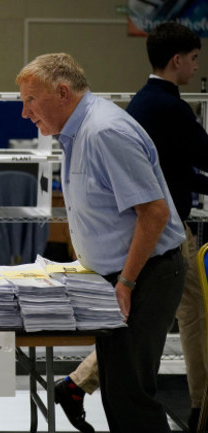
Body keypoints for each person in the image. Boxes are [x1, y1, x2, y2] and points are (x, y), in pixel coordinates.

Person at [16, 53, 186, 432]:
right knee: (116, 389)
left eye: (30, 100)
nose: (25, 113)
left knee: (130, 396)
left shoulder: (105, 132)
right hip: (122, 276)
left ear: (62, 92)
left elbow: (154, 214)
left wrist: (125, 282)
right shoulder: (76, 133)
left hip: (145, 274)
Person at [53, 22, 208, 433]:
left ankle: (77, 384)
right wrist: (122, 278)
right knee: (180, 330)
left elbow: (159, 193)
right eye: (194, 59)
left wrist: (124, 278)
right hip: (153, 244)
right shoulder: (163, 109)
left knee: (131, 372)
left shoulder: (132, 108)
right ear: (178, 59)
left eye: (30, 101)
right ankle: (199, 406)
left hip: (148, 247)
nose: (195, 67)